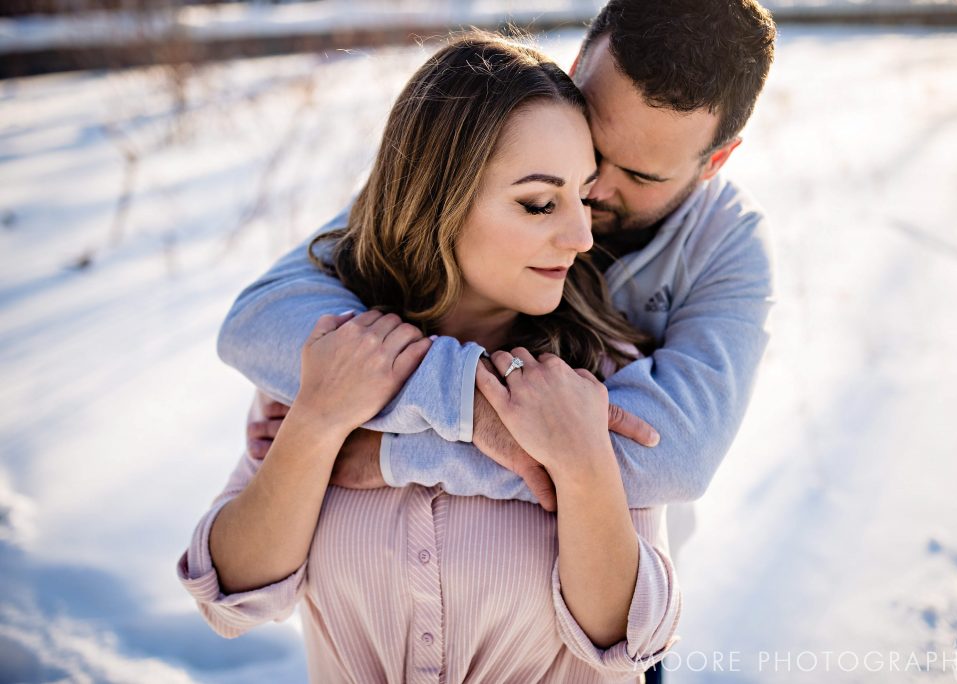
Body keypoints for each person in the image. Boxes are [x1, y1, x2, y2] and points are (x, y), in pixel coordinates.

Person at [179, 33, 680, 681]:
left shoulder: (598, 373)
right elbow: (234, 598)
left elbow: (632, 643)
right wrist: (320, 423)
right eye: (538, 204)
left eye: (583, 196)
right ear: (436, 200)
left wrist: (584, 466)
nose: (581, 236)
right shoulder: (342, 355)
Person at [227, 0, 777, 539]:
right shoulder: (505, 159)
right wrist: (471, 405)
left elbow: (672, 457)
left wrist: (395, 451)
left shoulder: (729, 247)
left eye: (640, 176)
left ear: (715, 162)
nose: (594, 191)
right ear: (575, 74)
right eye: (593, 144)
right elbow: (260, 323)